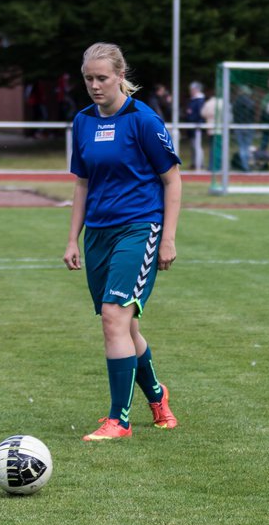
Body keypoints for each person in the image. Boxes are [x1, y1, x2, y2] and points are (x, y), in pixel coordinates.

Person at [63, 42, 182, 440]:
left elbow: (172, 179)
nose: (95, 85)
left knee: (115, 316)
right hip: (98, 233)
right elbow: (81, 184)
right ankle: (156, 393)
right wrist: (72, 240)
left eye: (102, 78)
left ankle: (119, 420)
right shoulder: (82, 122)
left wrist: (167, 238)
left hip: (140, 227)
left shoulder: (143, 120)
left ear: (120, 76)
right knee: (122, 325)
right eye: (88, 79)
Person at [185, 81, 207, 172]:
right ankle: (194, 163)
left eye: (192, 89)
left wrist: (191, 115)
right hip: (191, 127)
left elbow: (200, 114)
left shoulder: (200, 100)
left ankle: (200, 164)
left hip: (196, 127)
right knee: (193, 146)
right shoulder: (193, 100)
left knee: (197, 146)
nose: (191, 91)